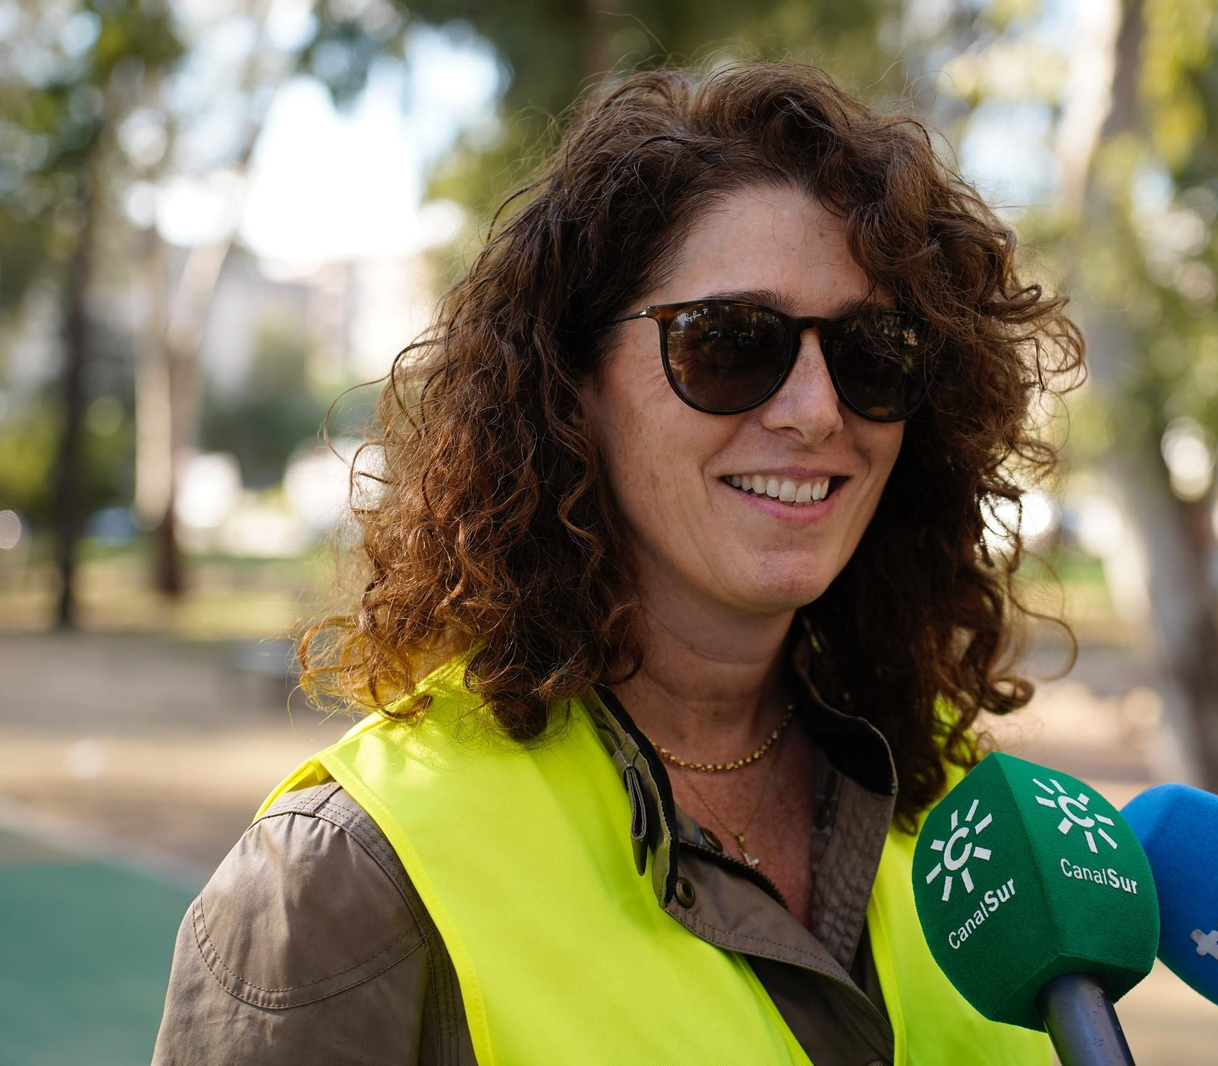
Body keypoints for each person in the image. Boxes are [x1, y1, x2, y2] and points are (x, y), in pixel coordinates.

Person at [152, 60, 1080, 1064]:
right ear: (572, 383)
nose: (816, 411)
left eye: (873, 351)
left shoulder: (966, 815)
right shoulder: (349, 877)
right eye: (730, 342)